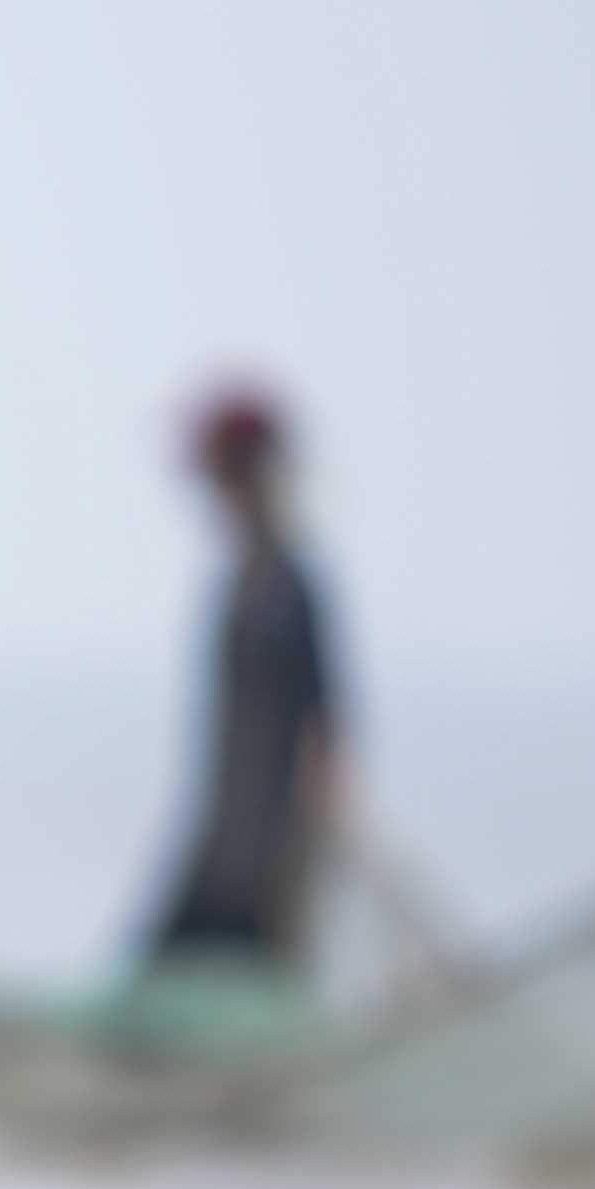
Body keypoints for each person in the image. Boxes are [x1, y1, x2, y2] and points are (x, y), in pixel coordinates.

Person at [137, 381, 340, 974]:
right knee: (163, 986)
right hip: (219, 838)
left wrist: (300, 859)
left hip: (268, 855)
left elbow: (325, 729)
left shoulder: (287, 590)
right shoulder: (239, 586)